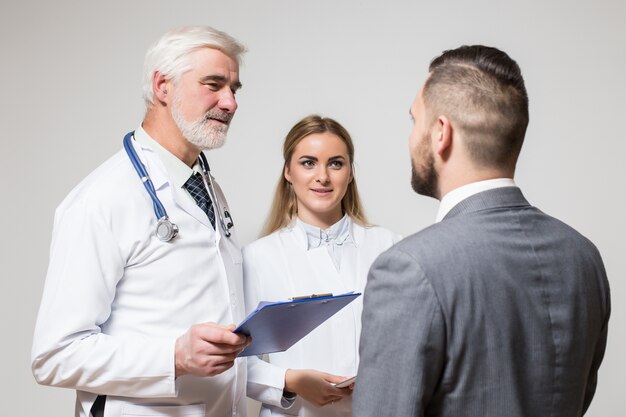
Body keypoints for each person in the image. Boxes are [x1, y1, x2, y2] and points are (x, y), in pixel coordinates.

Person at [353, 45, 611, 417]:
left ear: (440, 133)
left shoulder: (409, 268)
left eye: (415, 121)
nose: (412, 138)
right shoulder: (583, 257)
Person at [31, 26, 252, 417]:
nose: (230, 102)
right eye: (214, 84)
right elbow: (55, 355)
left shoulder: (207, 189)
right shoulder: (101, 199)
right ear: (162, 86)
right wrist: (173, 357)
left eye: (234, 88)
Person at [243, 115, 400, 417]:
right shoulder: (258, 257)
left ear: (351, 172)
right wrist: (289, 381)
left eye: (336, 163)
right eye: (308, 163)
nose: (323, 176)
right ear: (288, 171)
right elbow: (235, 360)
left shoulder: (389, 247)